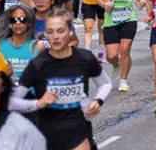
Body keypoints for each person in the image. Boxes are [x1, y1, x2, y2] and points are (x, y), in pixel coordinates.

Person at [11, 10, 111, 150]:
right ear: (45, 34)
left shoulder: (85, 58)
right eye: (50, 32)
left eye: (60, 31)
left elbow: (105, 83)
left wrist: (98, 101)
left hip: (79, 133)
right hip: (48, 136)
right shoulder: (38, 64)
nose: (55, 37)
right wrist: (38, 103)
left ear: (70, 31)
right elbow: (11, 101)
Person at [97, 0, 143, 93]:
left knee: (125, 50)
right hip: (111, 20)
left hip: (129, 20)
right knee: (111, 56)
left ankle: (123, 81)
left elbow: (140, 0)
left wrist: (141, 3)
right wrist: (105, 5)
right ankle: (117, 65)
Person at [0, 4, 40, 85]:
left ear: (29, 23)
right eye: (14, 20)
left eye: (22, 19)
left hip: (32, 95)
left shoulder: (38, 47)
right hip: (8, 94)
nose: (18, 23)